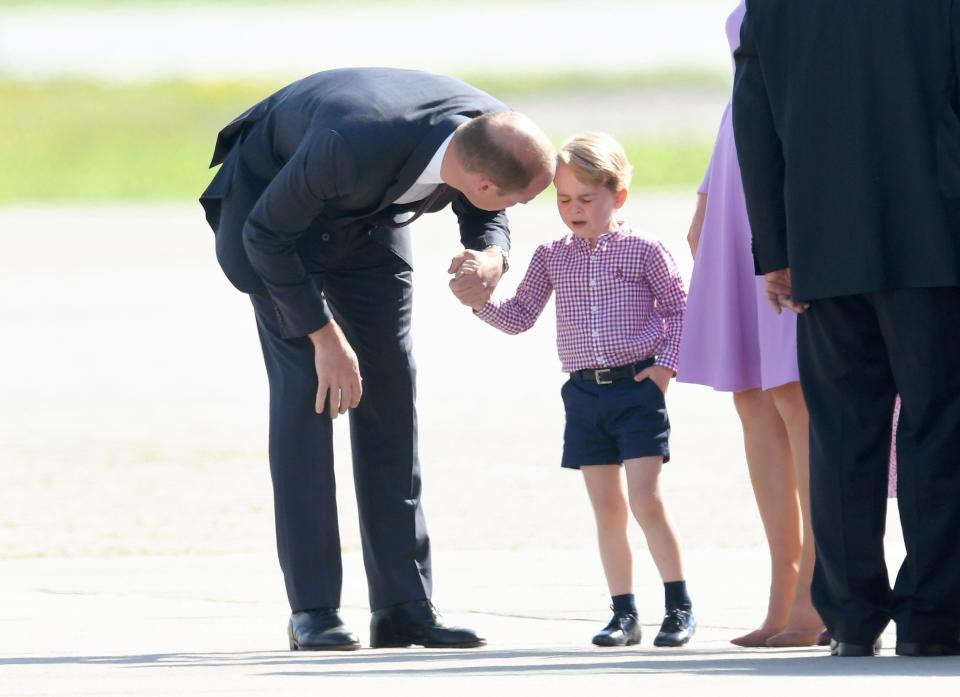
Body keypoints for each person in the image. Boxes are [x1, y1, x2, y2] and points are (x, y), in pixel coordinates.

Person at [199, 68, 555, 651]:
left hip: (369, 218)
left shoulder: (490, 128)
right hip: (272, 225)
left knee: (389, 388)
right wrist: (321, 336)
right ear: (483, 181)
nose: (518, 206)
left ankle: (404, 606)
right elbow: (264, 236)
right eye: (518, 199)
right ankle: (313, 610)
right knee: (310, 395)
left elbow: (489, 206)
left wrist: (493, 252)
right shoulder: (349, 143)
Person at [734, 1, 960, 657]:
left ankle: (853, 616)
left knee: (840, 434)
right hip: (936, 241)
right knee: (940, 427)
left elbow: (754, 119)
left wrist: (776, 248)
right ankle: (934, 614)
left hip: (823, 246)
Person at [459, 132, 695, 648]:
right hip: (583, 396)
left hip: (636, 389)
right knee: (606, 508)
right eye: (564, 199)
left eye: (587, 199)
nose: (574, 209)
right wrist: (478, 302)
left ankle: (678, 607)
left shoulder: (645, 250)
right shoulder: (551, 256)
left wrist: (664, 370)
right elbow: (520, 316)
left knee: (645, 500)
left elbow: (682, 311)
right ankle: (623, 614)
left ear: (619, 196)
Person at [677, 0, 824, 648]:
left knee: (798, 394)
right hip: (740, 174)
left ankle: (820, 593)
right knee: (753, 393)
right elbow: (745, 89)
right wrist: (709, 192)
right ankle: (782, 589)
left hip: (794, 183)